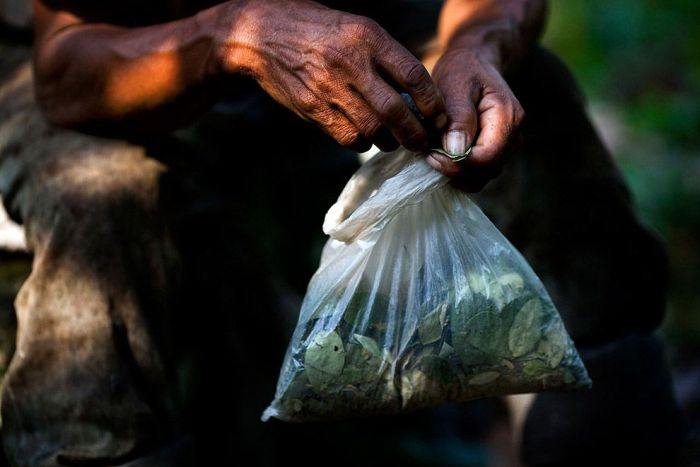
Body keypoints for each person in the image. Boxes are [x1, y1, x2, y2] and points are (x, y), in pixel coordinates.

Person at [0, 0, 683, 465]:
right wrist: (233, 35)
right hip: (132, 51)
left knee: (538, 109)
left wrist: (477, 42)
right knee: (97, 204)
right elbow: (65, 67)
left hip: (369, 27)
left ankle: (607, 427)